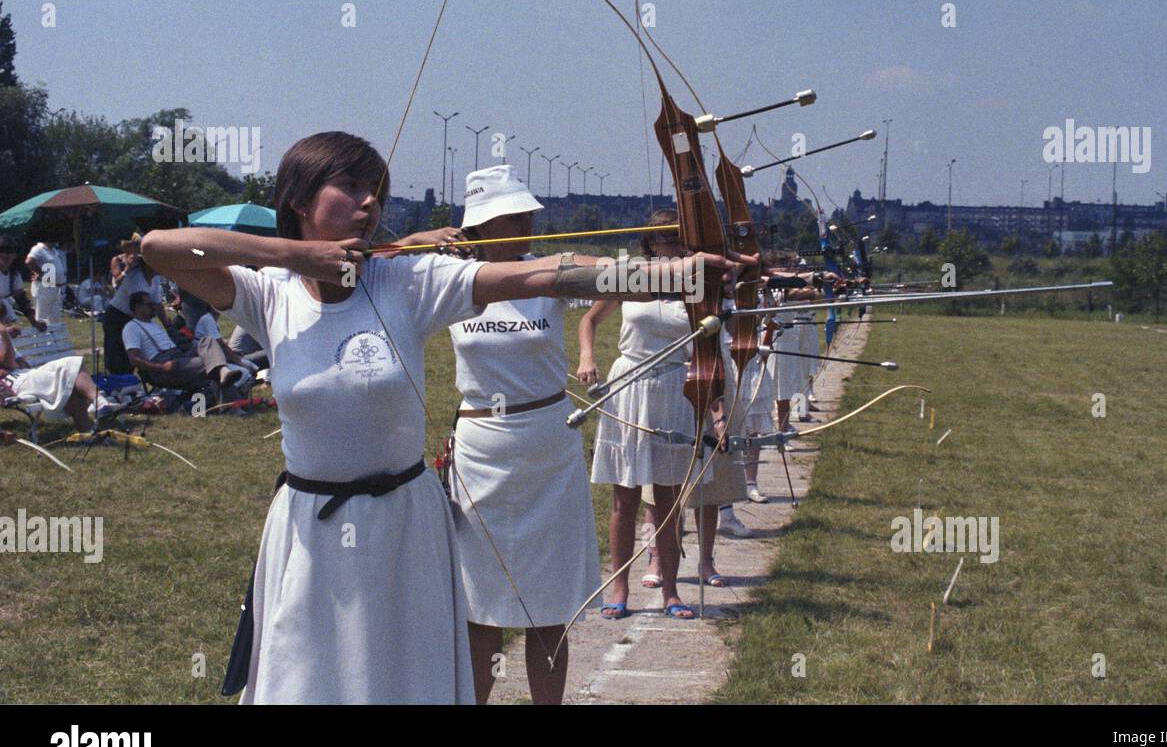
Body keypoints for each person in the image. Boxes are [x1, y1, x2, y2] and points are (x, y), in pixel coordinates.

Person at [140, 131, 744, 704]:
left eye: (374, 187)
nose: (369, 200)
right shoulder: (269, 293)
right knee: (307, 675)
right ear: (297, 199)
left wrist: (676, 275)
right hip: (308, 528)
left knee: (404, 675)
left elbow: (544, 273)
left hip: (404, 521)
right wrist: (297, 255)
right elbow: (157, 248)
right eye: (349, 186)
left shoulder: (406, 278)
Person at [445, 164, 600, 705]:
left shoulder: (551, 272)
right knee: (479, 605)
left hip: (547, 445)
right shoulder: (448, 277)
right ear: (480, 226)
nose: (524, 226)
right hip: (481, 449)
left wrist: (689, 269)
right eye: (510, 217)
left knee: (549, 606)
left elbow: (617, 274)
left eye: (525, 215)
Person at [577, 209, 731, 621]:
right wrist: (587, 356)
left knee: (668, 499)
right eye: (668, 240)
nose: (677, 247)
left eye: (683, 240)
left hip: (675, 391)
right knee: (624, 496)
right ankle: (620, 586)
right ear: (650, 242)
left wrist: (717, 411)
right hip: (630, 384)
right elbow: (588, 321)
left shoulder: (694, 284)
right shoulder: (629, 274)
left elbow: (707, 352)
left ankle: (671, 591)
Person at [122, 292, 249, 401]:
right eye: (149, 305)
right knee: (210, 363)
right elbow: (134, 359)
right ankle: (233, 401)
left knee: (207, 341)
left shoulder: (153, 324)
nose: (153, 307)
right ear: (137, 307)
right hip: (164, 365)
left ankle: (225, 373)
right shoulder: (131, 327)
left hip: (178, 357)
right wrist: (161, 367)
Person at [0, 326, 99, 433]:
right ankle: (99, 402)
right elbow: (10, 363)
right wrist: (5, 335)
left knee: (70, 378)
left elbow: (23, 364)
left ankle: (86, 432)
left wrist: (9, 363)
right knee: (71, 366)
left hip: (28, 374)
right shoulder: (4, 338)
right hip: (19, 383)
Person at [103, 242, 171, 374]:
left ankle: (129, 380)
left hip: (133, 318)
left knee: (133, 349)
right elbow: (139, 308)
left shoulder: (155, 279)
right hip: (117, 316)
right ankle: (117, 381)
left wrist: (167, 325)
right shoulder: (136, 278)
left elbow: (157, 303)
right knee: (117, 353)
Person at [0, 235, 44, 334]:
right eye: (2, 251)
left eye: (10, 252)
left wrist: (35, 322)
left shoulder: (14, 275)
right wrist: (3, 328)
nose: (6, 255)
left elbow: (22, 301)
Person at [25, 239, 67, 325]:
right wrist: (40, 272)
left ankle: (53, 338)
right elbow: (29, 261)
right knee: (42, 318)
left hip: (56, 288)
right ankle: (41, 338)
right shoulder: (38, 248)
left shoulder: (54, 250)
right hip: (44, 287)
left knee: (55, 318)